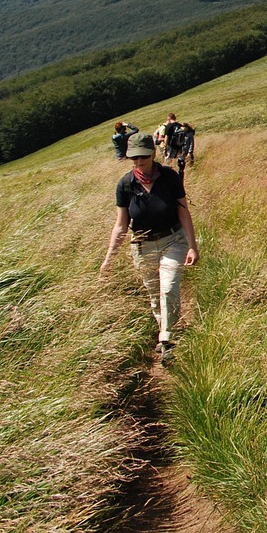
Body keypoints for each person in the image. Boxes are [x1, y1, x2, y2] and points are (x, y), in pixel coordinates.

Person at [100, 131, 200, 362]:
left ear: (153, 153)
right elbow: (121, 225)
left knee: (169, 287)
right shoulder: (125, 185)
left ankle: (167, 338)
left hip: (173, 241)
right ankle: (166, 330)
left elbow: (184, 213)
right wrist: (108, 259)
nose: (138, 161)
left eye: (142, 156)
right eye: (133, 158)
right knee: (155, 296)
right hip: (143, 247)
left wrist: (192, 246)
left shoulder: (170, 178)